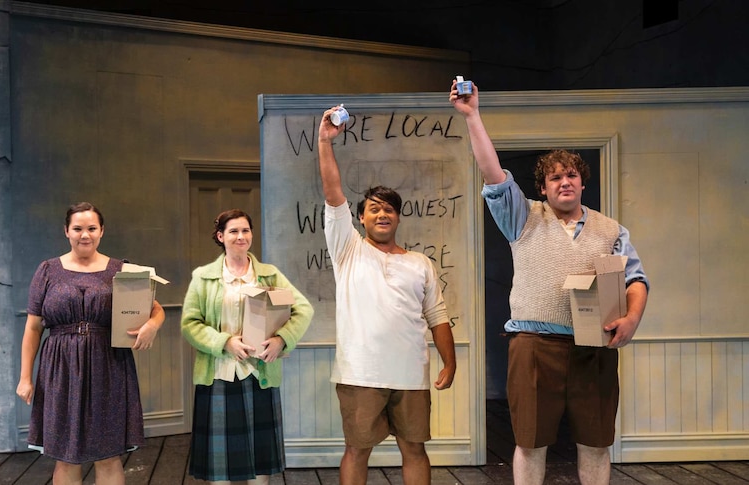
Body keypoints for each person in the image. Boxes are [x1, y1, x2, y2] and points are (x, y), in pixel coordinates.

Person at [450, 80, 650, 485]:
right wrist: (472, 115)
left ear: (582, 182)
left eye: (572, 175)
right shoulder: (523, 218)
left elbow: (636, 279)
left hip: (594, 347)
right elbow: (492, 174)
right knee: (530, 441)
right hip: (534, 345)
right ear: (542, 188)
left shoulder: (610, 229)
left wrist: (631, 319)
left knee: (596, 442)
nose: (565, 182)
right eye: (555, 177)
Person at [317, 106, 457, 485]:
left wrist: (450, 362)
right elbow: (333, 193)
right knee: (357, 449)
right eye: (374, 209)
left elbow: (438, 316)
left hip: (411, 373)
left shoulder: (420, 263)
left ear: (398, 218)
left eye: (390, 210)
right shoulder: (348, 249)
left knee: (414, 449)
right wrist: (325, 142)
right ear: (360, 218)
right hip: (360, 372)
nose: (382, 215)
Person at [15, 202, 165, 485]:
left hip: (108, 366)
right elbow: (33, 327)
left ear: (102, 231)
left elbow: (156, 309)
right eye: (78, 228)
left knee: (108, 454)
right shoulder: (47, 270)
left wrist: (151, 327)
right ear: (66, 231)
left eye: (92, 228)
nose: (85, 235)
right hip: (60, 367)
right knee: (65, 454)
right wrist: (25, 378)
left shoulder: (122, 270)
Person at [181, 209, 314, 485]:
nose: (241, 236)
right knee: (220, 467)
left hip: (259, 376)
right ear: (220, 236)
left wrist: (282, 339)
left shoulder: (270, 275)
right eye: (233, 231)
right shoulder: (204, 277)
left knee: (259, 463)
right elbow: (190, 324)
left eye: (245, 231)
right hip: (218, 376)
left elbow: (303, 309)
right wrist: (224, 342)